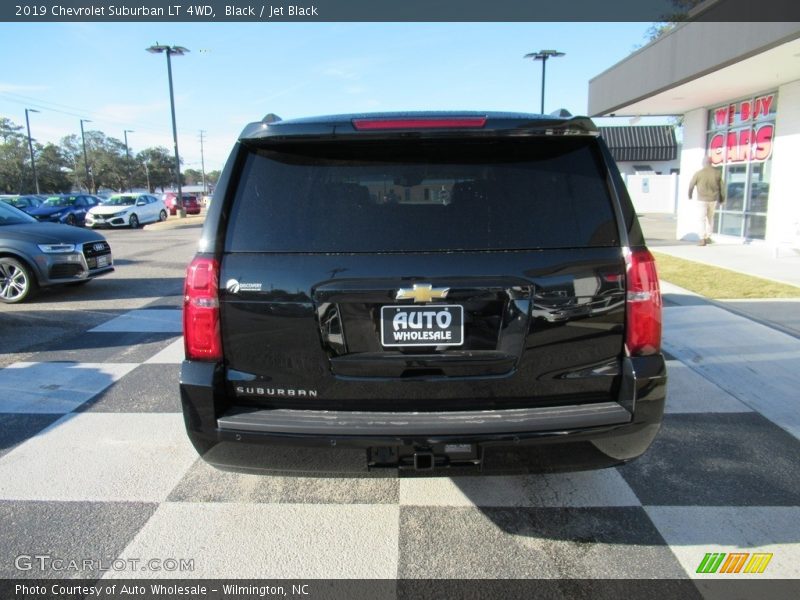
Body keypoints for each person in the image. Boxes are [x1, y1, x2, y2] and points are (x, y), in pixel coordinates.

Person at [688, 157, 725, 246]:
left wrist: (690, 195)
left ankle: (702, 238)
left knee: (701, 219)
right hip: (713, 199)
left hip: (702, 199)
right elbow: (722, 187)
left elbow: (691, 185)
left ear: (704, 163)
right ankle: (708, 236)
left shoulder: (698, 173)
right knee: (710, 218)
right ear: (711, 163)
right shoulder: (717, 173)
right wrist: (722, 198)